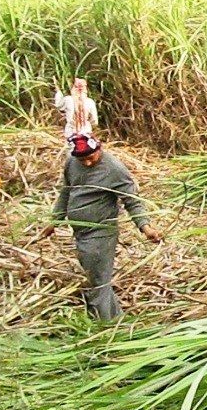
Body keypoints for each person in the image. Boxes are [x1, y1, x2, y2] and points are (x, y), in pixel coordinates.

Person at [41, 135, 163, 321]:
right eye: (83, 160)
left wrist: (146, 228)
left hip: (100, 233)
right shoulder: (72, 163)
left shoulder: (114, 169)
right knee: (96, 279)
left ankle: (105, 326)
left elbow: (132, 201)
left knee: (98, 281)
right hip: (80, 232)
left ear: (99, 149)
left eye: (91, 158)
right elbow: (66, 191)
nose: (88, 163)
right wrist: (55, 221)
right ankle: (115, 320)